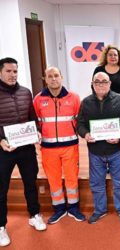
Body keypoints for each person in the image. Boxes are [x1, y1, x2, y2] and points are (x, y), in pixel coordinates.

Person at [77, 72, 120, 225]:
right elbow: (80, 124)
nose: (101, 84)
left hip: (116, 150)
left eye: (104, 81)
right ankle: (100, 210)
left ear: (110, 83)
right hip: (95, 151)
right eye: (97, 82)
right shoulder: (86, 102)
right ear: (92, 84)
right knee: (96, 183)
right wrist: (85, 134)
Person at [0, 57, 46, 247]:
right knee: (1, 189)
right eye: (9, 71)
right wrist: (0, 140)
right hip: (4, 150)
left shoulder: (26, 93)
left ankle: (34, 215)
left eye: (15, 71)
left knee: (30, 183)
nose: (13, 75)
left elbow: (32, 118)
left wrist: (36, 131)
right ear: (0, 72)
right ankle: (1, 226)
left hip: (26, 148)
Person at [33, 67, 85, 224]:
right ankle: (59, 209)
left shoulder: (74, 98)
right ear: (45, 79)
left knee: (71, 178)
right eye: (50, 76)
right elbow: (34, 122)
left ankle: (74, 208)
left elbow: (80, 121)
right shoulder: (37, 99)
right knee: (53, 180)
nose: (53, 78)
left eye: (56, 75)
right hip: (48, 148)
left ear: (61, 77)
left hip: (70, 146)